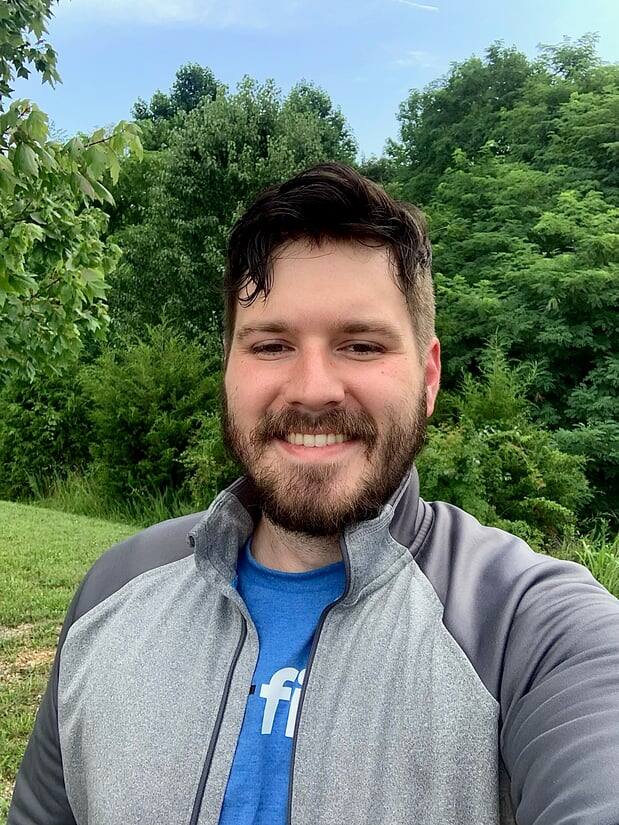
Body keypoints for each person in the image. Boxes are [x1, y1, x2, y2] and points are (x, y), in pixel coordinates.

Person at [9, 163, 619, 825]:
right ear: (228, 368)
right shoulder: (113, 590)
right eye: (271, 345)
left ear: (428, 377)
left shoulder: (532, 631)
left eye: (361, 345)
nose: (313, 389)